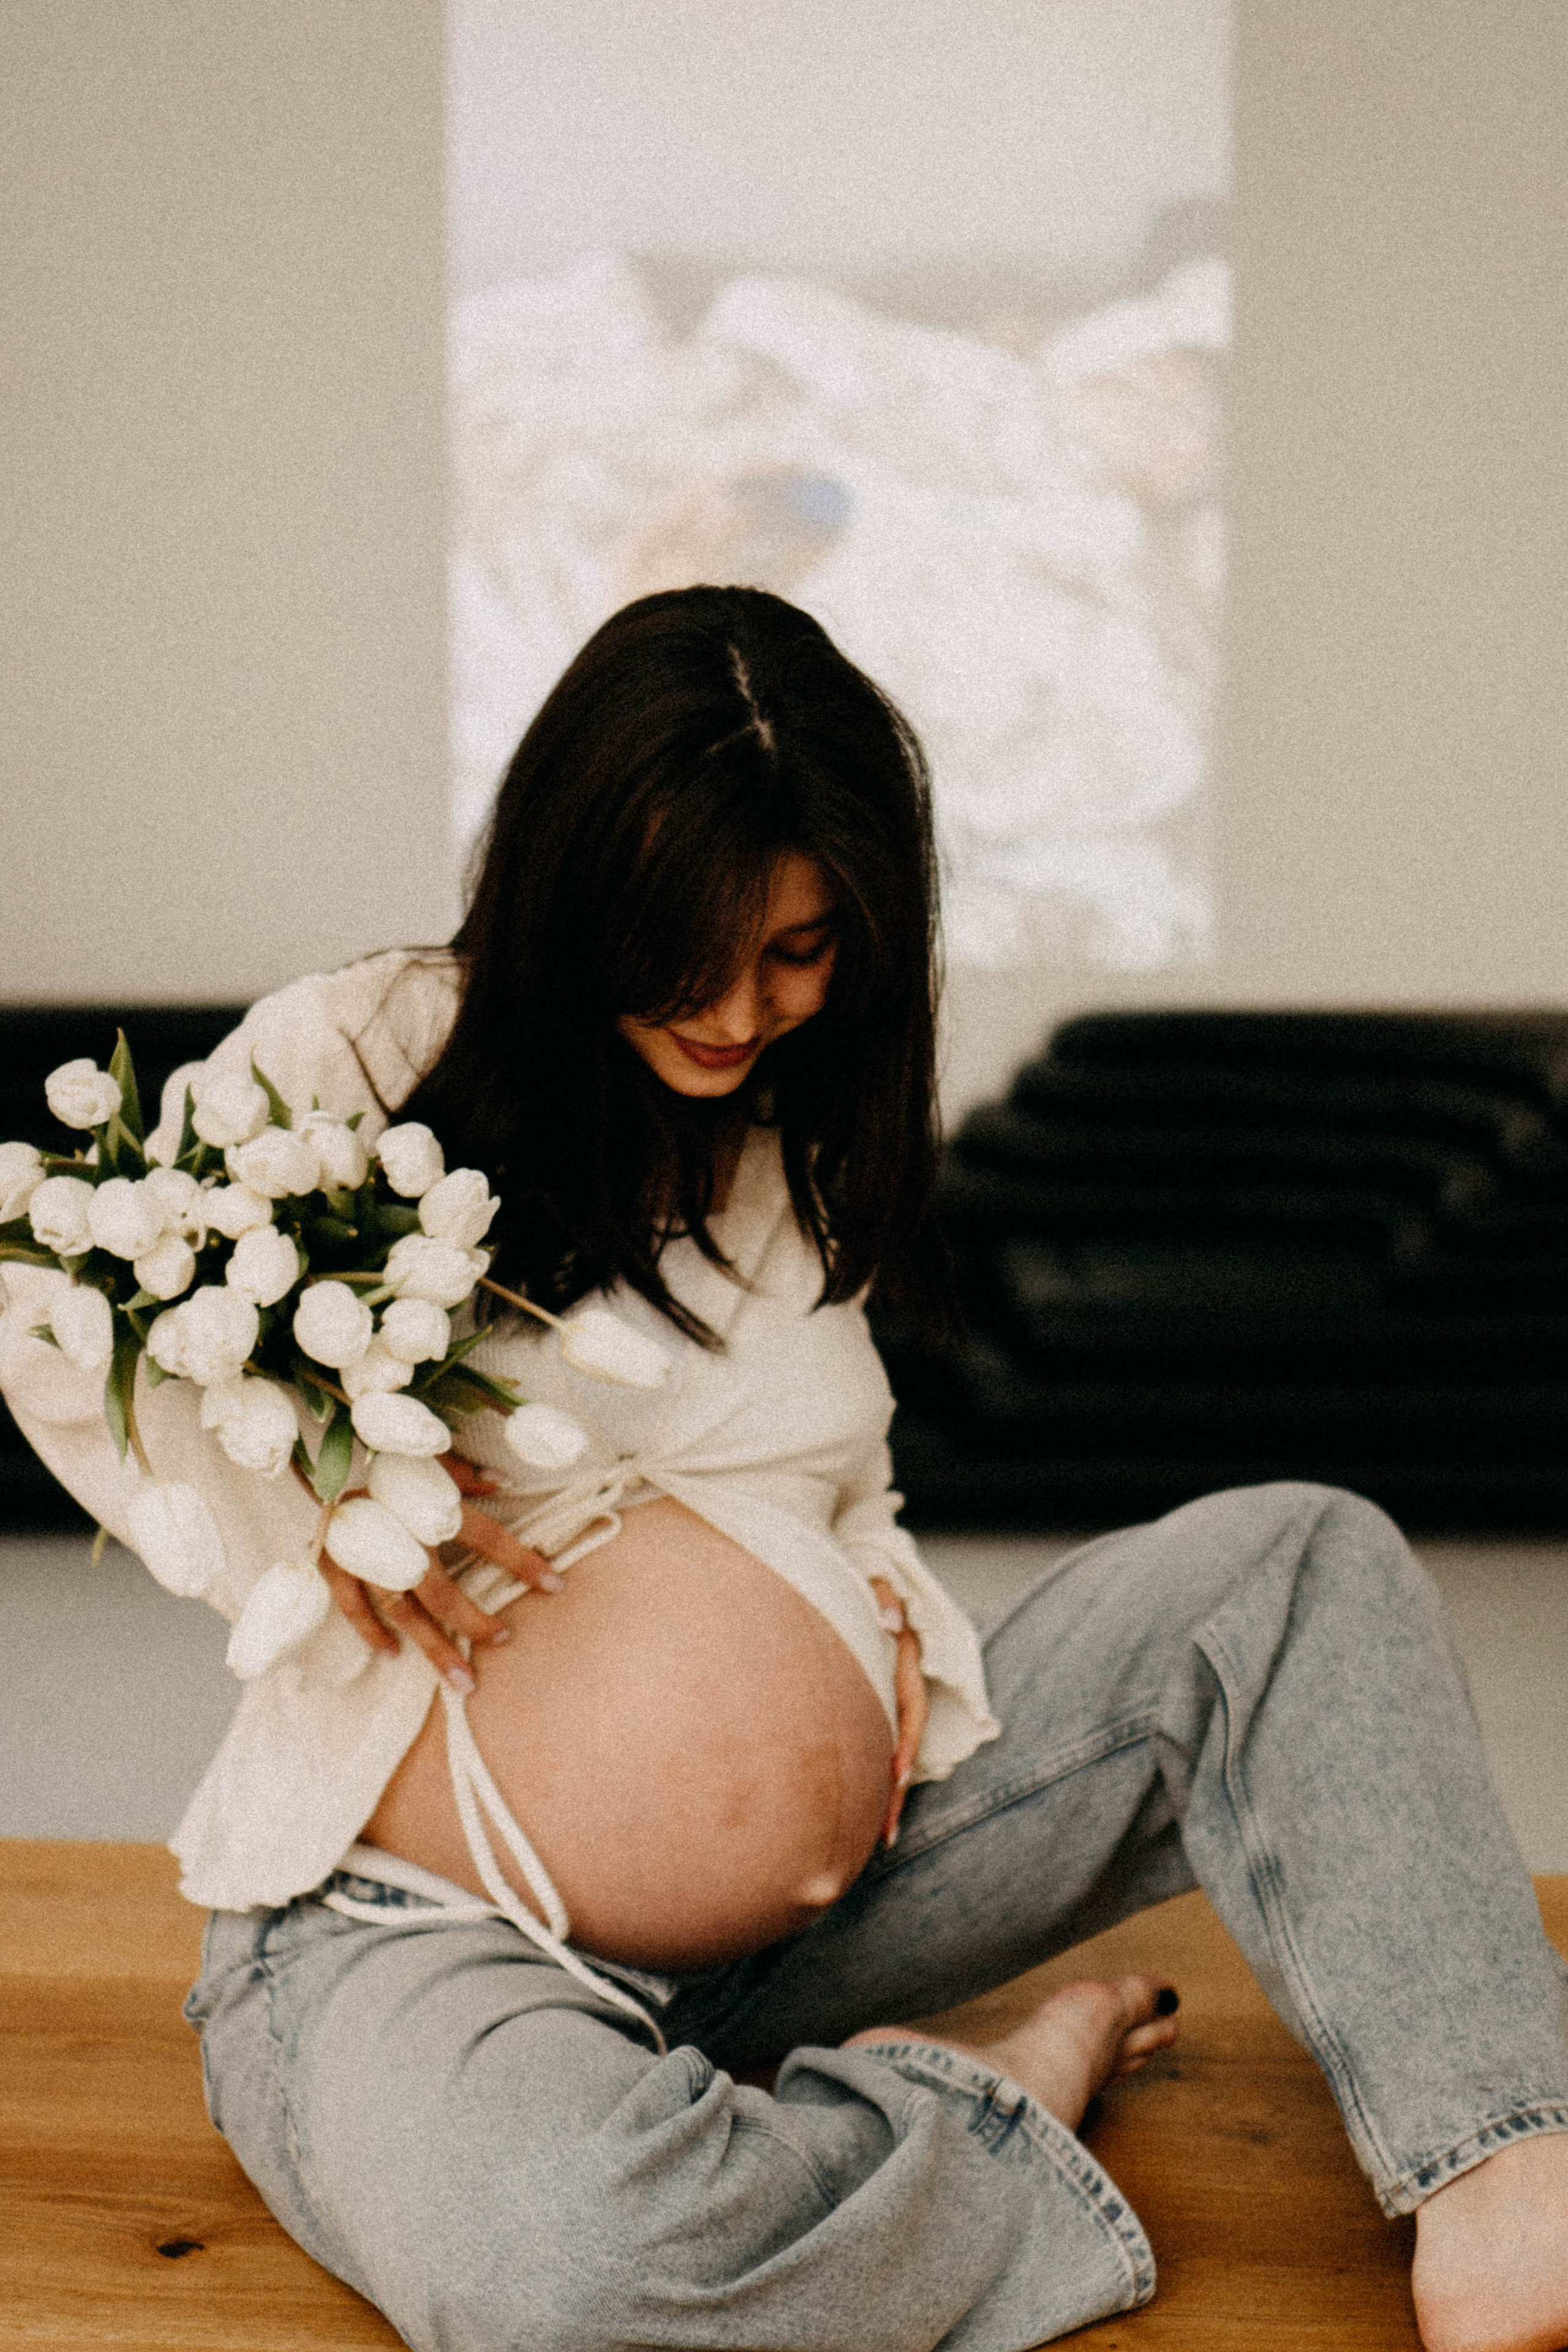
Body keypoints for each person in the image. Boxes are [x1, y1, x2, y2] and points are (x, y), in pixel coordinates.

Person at [5, 586, 1568, 2351]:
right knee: (567, 2265)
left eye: (803, 951)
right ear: (577, 888)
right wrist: (303, 1522)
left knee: (1298, 1564)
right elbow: (60, 1325)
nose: (743, 1009)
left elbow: (831, 1494)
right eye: (687, 951)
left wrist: (869, 1640)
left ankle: (1507, 2162)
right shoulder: (365, 1052)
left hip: (833, 1910)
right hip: (429, 1931)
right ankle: (968, 2113)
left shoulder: (786, 1146)